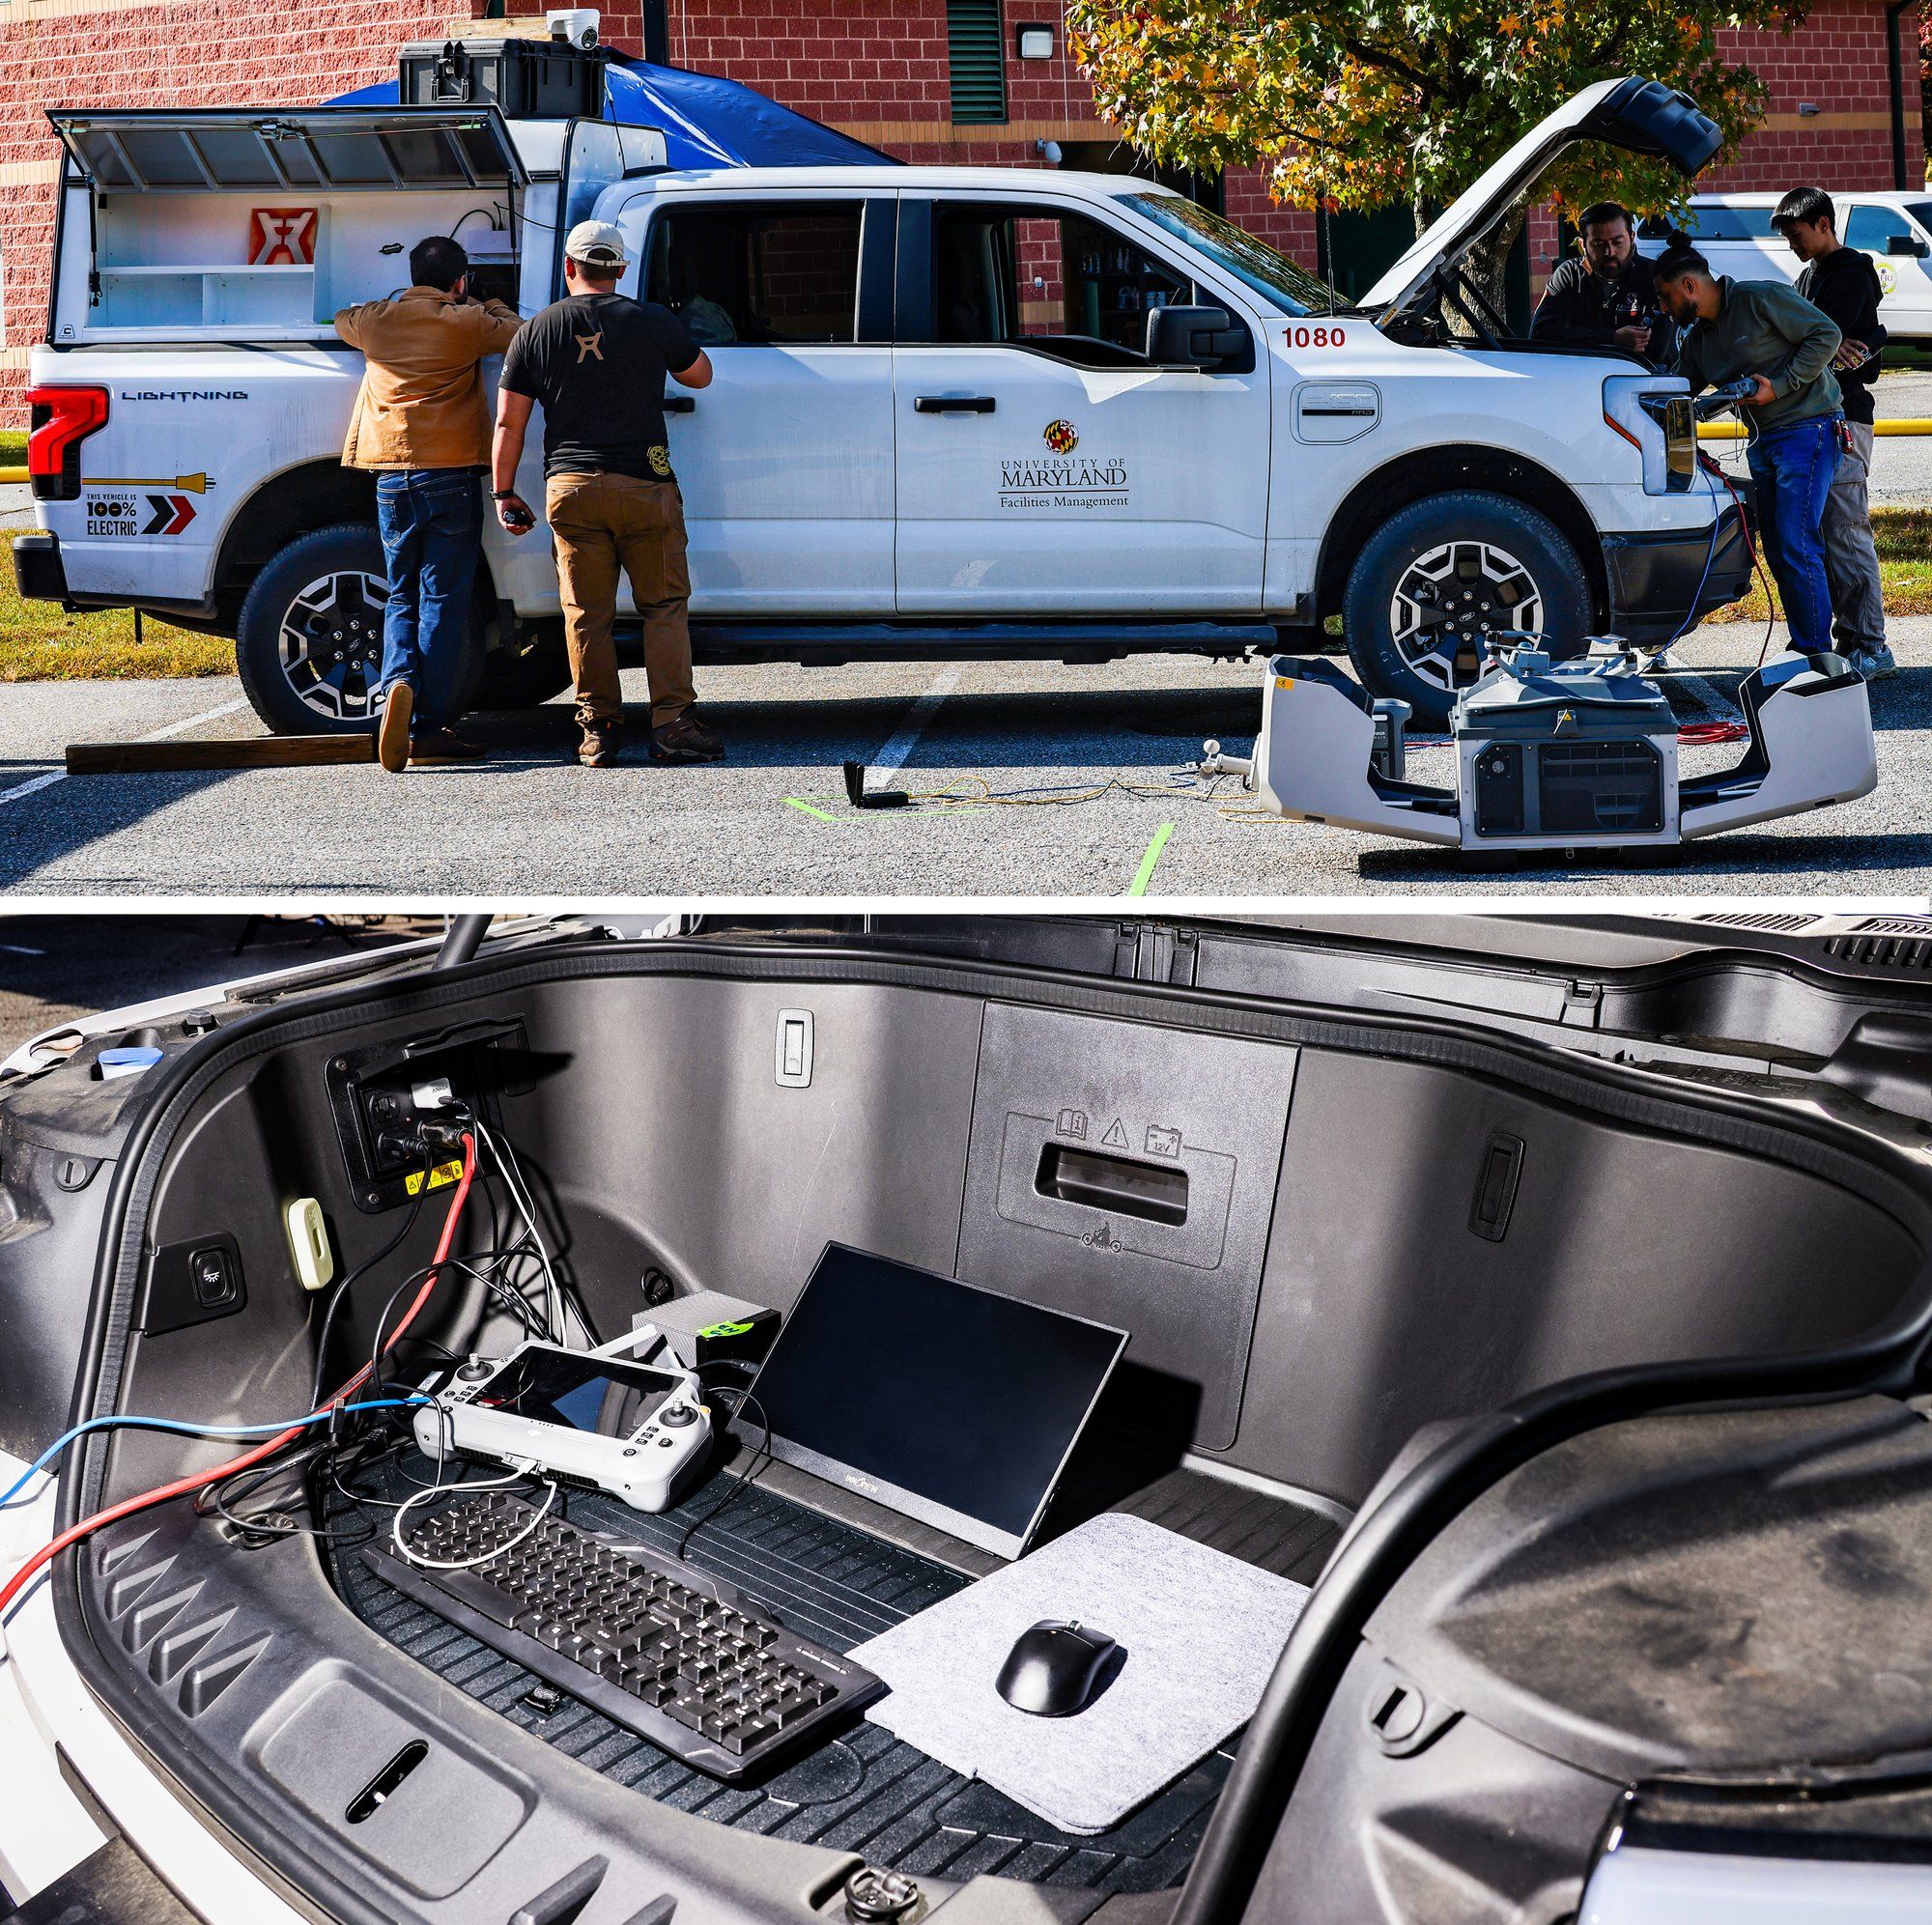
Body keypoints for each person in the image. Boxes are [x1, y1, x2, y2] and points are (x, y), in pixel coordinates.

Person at [493, 220, 719, 768]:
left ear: (569, 267)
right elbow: (701, 376)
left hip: (571, 488)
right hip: (645, 484)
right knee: (663, 608)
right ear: (620, 269)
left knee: (586, 614)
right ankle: (673, 725)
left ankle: (597, 731)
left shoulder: (535, 330)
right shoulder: (650, 320)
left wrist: (503, 492)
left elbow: (508, 423)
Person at [334, 236, 521, 772]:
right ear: (460, 280)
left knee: (401, 593)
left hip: (391, 476)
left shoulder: (377, 320)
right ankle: (428, 725)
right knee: (442, 599)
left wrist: (394, 302)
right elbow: (518, 333)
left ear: (413, 276)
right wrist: (483, 300)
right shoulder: (467, 321)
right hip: (449, 475)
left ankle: (397, 681)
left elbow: (343, 319)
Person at [1652, 243, 1844, 659]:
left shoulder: (1760, 297)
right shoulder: (1699, 339)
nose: (1664, 308)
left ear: (1690, 286)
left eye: (1667, 296)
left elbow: (1827, 334)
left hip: (1808, 429)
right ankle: (1806, 647)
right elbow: (1676, 389)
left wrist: (1782, 385)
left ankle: (1816, 656)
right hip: (1763, 441)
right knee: (1777, 548)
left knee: (1795, 543)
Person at [1773, 185, 1895, 680]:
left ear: (1823, 224)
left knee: (1845, 531)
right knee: (1820, 535)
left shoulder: (1851, 274)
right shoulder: (1808, 277)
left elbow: (1817, 344)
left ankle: (1871, 645)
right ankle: (1843, 639)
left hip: (1845, 418)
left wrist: (1825, 343)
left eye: (1796, 235)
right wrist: (1822, 342)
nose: (1792, 246)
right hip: (1813, 419)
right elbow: (1804, 340)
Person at [1530, 202, 1666, 362]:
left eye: (1617, 242)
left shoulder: (1652, 275)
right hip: (1578, 372)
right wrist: (1612, 338)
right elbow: (1541, 335)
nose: (1609, 252)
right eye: (1598, 244)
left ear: (1631, 238)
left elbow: (1659, 347)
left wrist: (1581, 337)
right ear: (1583, 244)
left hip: (1640, 373)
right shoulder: (1569, 275)